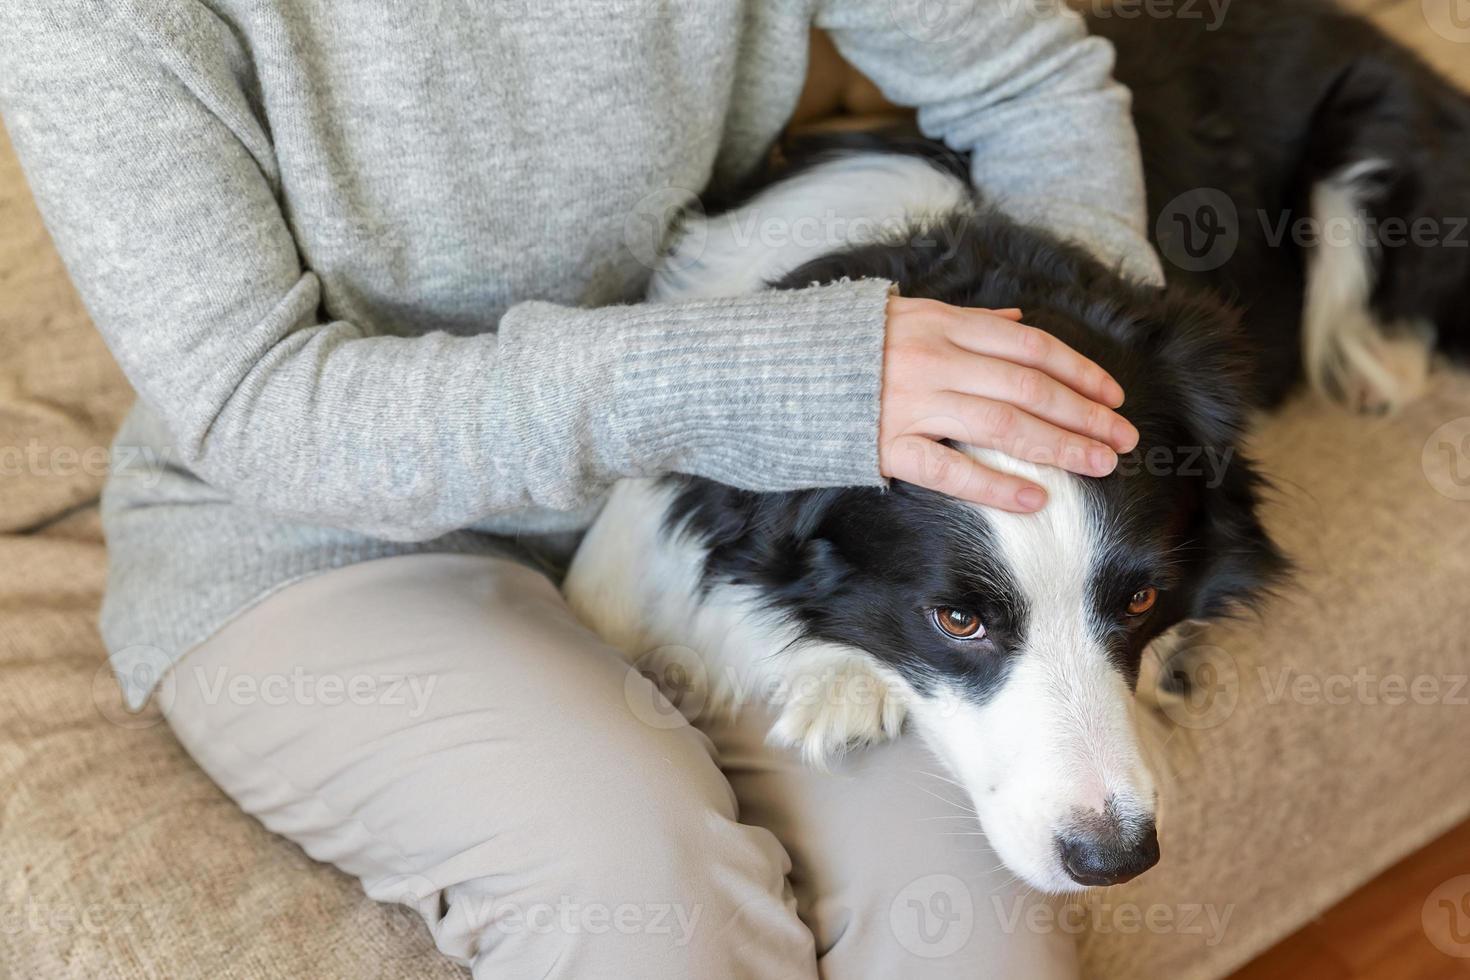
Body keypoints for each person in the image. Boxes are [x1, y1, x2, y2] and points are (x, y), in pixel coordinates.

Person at [0, 1, 1160, 976]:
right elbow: (259, 404)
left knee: (965, 922)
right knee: (648, 898)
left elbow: (1027, 81)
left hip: (702, 482)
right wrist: (765, 375)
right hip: (314, 537)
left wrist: (1056, 396)